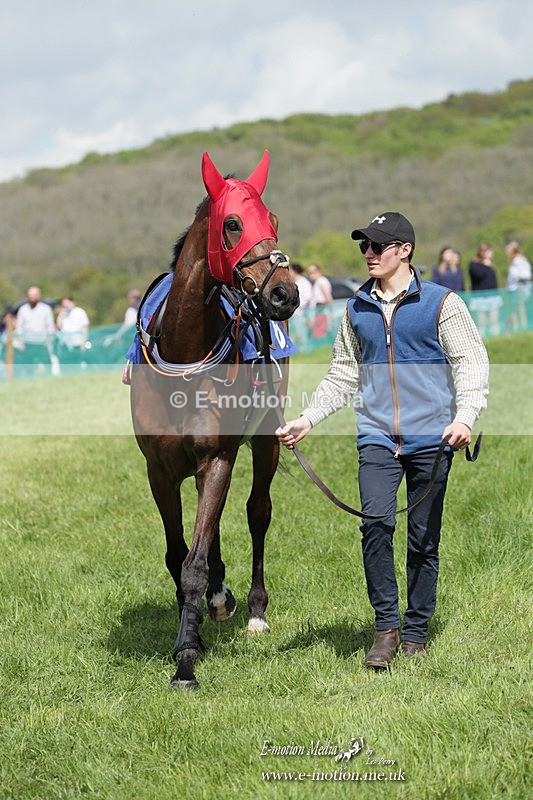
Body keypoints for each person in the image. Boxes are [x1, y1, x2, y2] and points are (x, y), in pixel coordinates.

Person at [276, 211, 489, 669]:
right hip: (376, 437)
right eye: (364, 248)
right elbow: (342, 376)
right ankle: (387, 629)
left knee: (422, 538)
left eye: (377, 246)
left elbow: (471, 363)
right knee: (375, 525)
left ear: (404, 250)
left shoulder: (442, 303)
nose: (368, 254)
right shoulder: (356, 308)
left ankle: (416, 630)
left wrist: (465, 416)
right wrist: (307, 419)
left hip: (434, 436)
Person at [13, 286, 56, 375]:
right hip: (28, 343)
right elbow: (19, 328)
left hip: (42, 343)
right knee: (28, 366)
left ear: (39, 296)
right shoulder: (23, 309)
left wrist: (49, 339)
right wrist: (20, 342)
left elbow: (50, 326)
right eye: (30, 295)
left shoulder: (46, 309)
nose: (32, 298)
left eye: (34, 295)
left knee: (47, 364)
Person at [468, 243, 501, 337]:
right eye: (490, 251)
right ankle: (482, 339)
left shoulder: (491, 264)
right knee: (481, 322)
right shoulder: (474, 264)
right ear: (483, 252)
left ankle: (496, 337)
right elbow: (478, 276)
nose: (492, 253)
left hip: (493, 296)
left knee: (494, 320)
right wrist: (485, 265)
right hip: (480, 297)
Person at [504, 240, 532, 331]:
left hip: (520, 287)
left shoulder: (518, 260)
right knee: (516, 308)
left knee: (519, 308)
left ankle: (520, 327)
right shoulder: (515, 260)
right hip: (516, 287)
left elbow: (523, 274)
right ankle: (515, 327)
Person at [55, 295, 90, 364]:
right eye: (64, 304)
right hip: (65, 343)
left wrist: (84, 341)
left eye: (67, 303)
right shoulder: (62, 313)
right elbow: (58, 327)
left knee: (79, 360)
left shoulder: (80, 312)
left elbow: (85, 327)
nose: (66, 305)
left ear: (72, 302)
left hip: (78, 342)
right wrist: (61, 317)